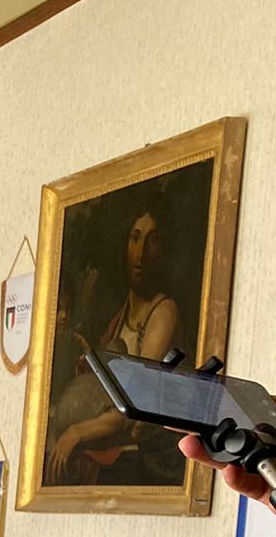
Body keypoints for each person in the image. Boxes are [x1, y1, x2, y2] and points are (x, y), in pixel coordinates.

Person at [48, 203, 185, 484]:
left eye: (153, 240)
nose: (141, 252)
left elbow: (134, 406)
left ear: (164, 250)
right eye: (135, 238)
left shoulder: (164, 313)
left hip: (150, 460)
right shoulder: (119, 317)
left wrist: (77, 432)